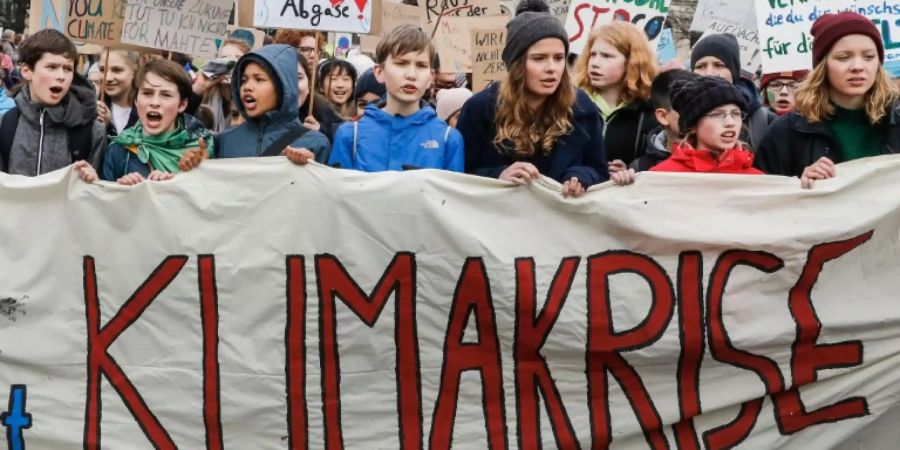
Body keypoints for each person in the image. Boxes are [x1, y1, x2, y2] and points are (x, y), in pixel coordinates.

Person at [457, 0, 606, 197]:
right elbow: (459, 176)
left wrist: (580, 176)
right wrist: (498, 176)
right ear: (516, 64)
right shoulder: (481, 108)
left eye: (559, 58)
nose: (551, 67)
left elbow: (599, 170)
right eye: (539, 58)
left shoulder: (582, 108)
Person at [755, 12, 900, 188]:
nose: (858, 67)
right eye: (844, 57)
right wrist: (798, 187)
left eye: (868, 57)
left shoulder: (895, 121)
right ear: (822, 65)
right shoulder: (786, 132)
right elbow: (762, 201)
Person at [305, 25, 463, 172]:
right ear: (380, 72)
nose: (411, 75)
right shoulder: (350, 135)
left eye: (421, 65)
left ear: (431, 77)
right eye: (401, 63)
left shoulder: (448, 139)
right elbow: (338, 196)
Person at [191, 44, 330, 164]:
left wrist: (311, 167)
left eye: (259, 79)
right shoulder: (225, 140)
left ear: (283, 87)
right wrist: (196, 163)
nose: (247, 87)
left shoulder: (315, 143)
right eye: (244, 80)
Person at [611, 76, 762, 185]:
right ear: (693, 125)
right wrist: (625, 187)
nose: (730, 123)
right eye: (717, 114)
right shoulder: (660, 178)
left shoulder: (758, 182)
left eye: (736, 114)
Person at [0, 29, 105, 176]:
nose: (61, 76)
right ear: (26, 71)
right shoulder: (6, 124)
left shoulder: (92, 131)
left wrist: (93, 181)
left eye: (68, 69)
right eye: (52, 67)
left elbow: (96, 194)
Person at [92, 60, 214, 184]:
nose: (154, 102)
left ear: (182, 105)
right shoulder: (119, 149)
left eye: (166, 95)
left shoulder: (201, 149)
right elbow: (105, 200)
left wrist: (195, 173)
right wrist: (124, 192)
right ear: (136, 100)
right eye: (147, 93)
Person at [574, 21, 658, 172]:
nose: (594, 63)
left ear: (631, 62)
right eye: (593, 54)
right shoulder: (572, 103)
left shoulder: (649, 113)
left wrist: (631, 171)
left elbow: (654, 162)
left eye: (606, 56)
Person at [691, 33, 774, 151]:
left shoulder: (765, 121)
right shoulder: (676, 114)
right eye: (700, 66)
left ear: (734, 71)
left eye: (719, 65)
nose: (709, 73)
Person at [630, 69, 699, 172]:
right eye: (687, 108)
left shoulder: (722, 158)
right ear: (663, 116)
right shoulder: (641, 168)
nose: (699, 113)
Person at [297, 51, 343, 143]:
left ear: (309, 83)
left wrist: (322, 132)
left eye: (299, 78)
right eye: (305, 49)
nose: (340, 85)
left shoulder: (322, 109)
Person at [96, 49, 140, 136]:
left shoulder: (147, 111)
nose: (108, 78)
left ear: (134, 72)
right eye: (102, 70)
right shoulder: (91, 109)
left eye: (117, 70)